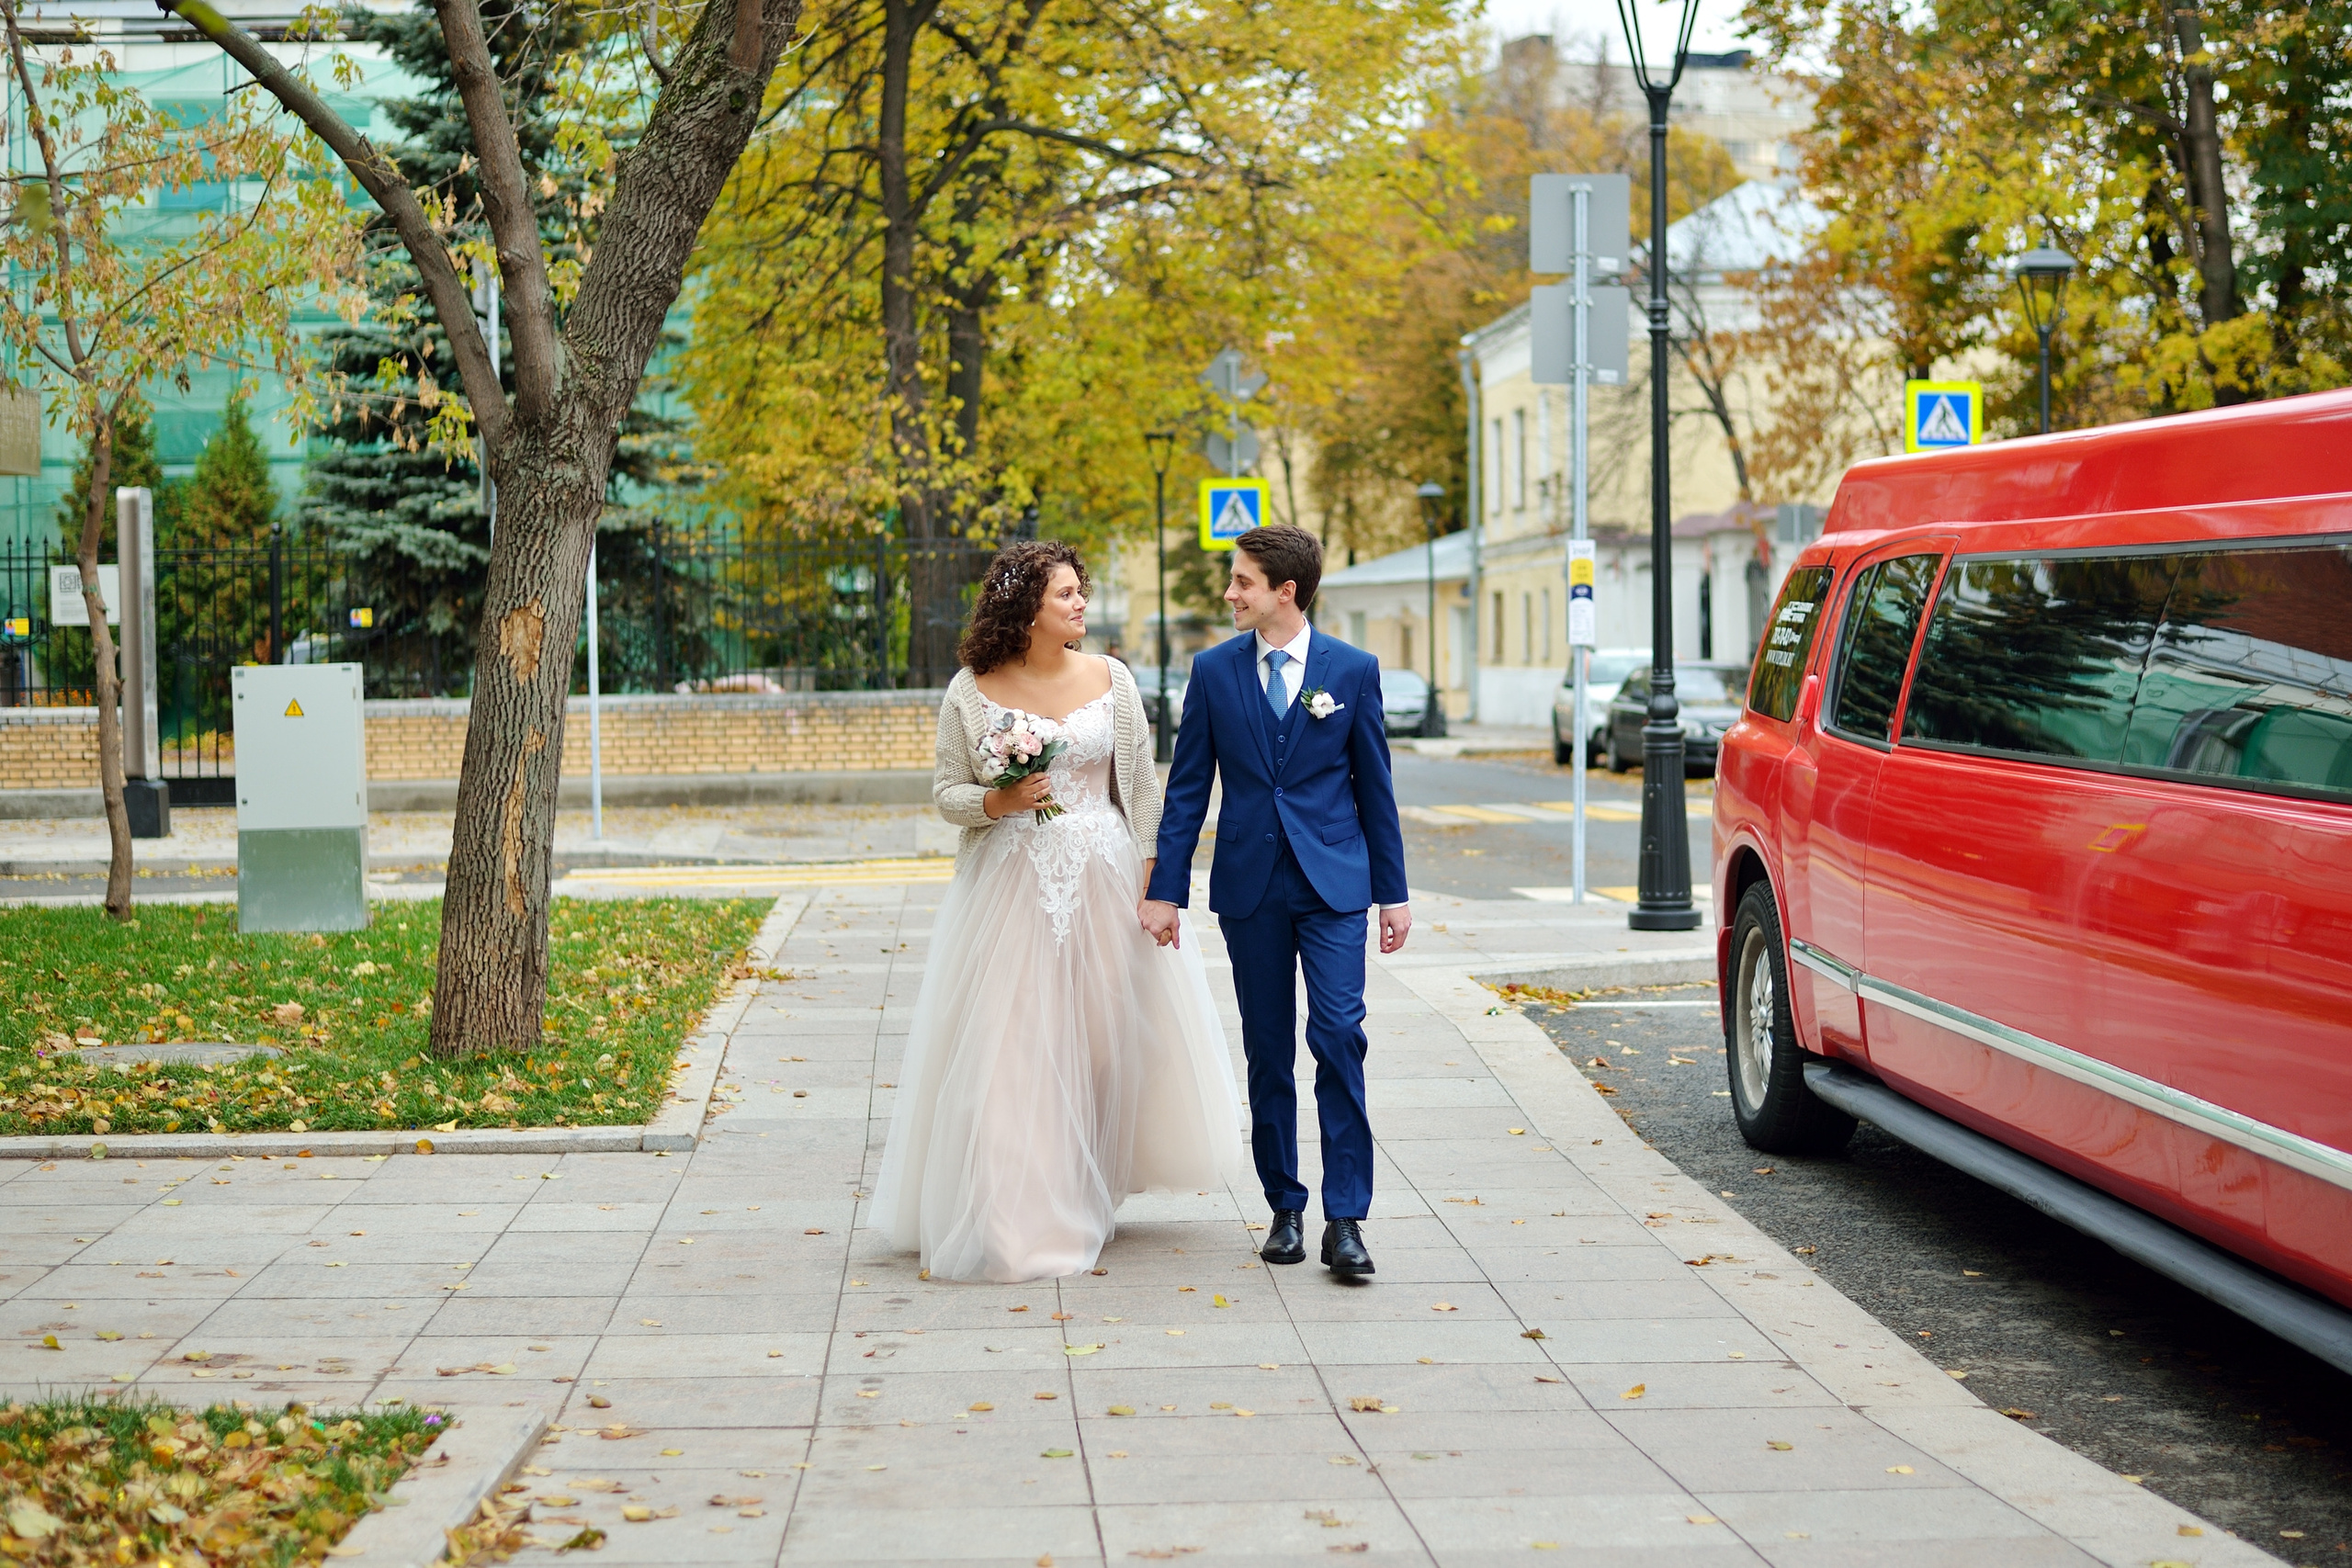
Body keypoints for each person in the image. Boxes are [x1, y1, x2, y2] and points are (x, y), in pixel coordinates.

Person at [873, 540, 1240, 1283]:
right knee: (1012, 1052)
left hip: (1106, 880)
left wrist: (1154, 884)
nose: (1080, 604)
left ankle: (1089, 1184)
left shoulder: (1114, 679)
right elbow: (946, 792)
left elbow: (1141, 791)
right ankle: (1015, 1214)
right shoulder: (971, 692)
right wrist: (997, 800)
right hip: (1010, 886)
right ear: (1025, 608)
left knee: (1103, 1043)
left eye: (1081, 591)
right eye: (1066, 594)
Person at [1139, 525, 1409, 1277]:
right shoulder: (1215, 671)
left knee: (1339, 1036)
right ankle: (1286, 1207)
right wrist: (1167, 893)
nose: (1230, 593)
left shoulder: (1351, 671)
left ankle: (1346, 1219)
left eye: (1242, 582)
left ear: (1285, 592)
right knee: (1267, 1050)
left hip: (1333, 888)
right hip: (1251, 889)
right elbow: (1188, 788)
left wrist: (1392, 895)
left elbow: (1375, 790)